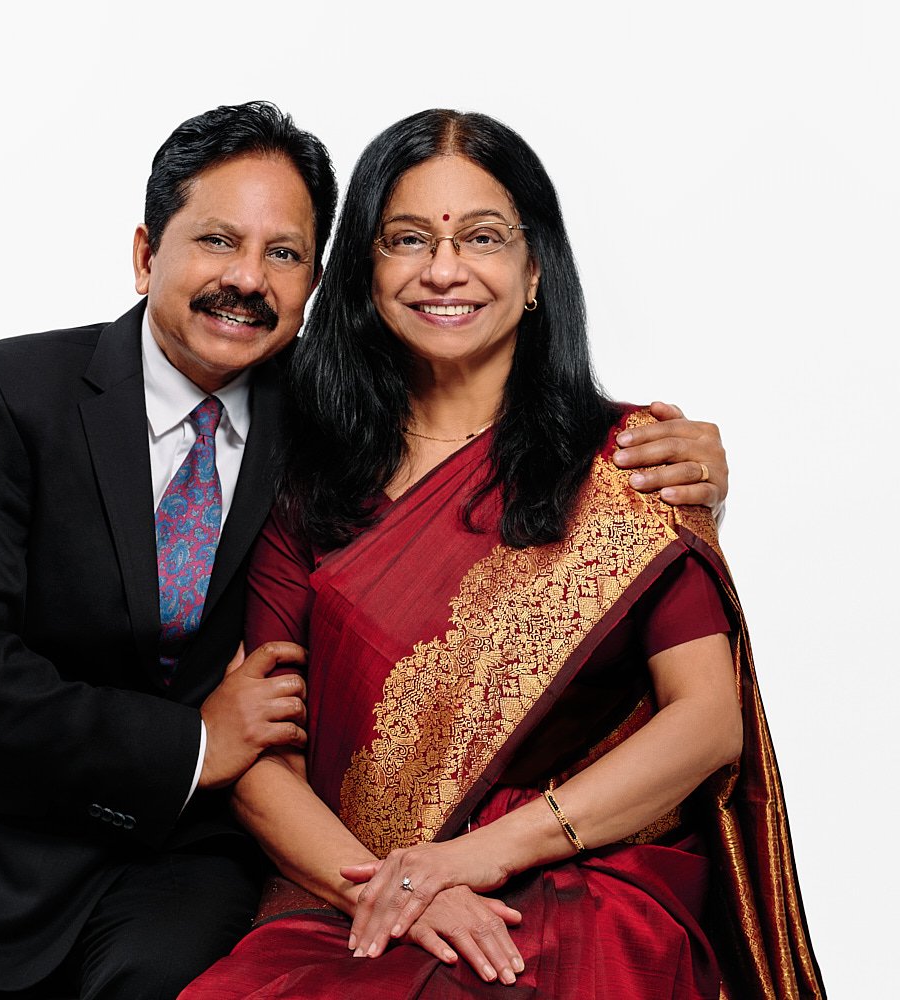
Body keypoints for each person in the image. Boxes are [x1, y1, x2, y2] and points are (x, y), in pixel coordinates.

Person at [0, 102, 733, 1000]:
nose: (248, 279)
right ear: (145, 254)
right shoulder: (16, 394)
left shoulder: (328, 426)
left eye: (284, 253)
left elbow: (681, 688)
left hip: (183, 865)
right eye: (217, 241)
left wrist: (685, 476)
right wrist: (197, 743)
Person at [182, 110, 823, 999]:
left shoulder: (629, 463)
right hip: (350, 892)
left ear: (533, 274)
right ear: (365, 274)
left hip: (577, 878)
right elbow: (259, 751)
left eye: (481, 237)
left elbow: (705, 722)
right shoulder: (307, 485)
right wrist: (398, 889)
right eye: (408, 239)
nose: (444, 269)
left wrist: (468, 861)